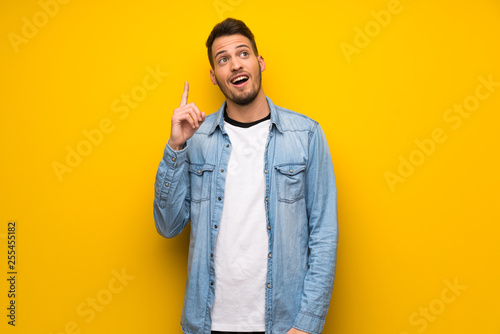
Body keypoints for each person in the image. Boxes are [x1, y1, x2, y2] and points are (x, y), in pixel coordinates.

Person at [153, 18, 338, 334]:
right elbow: (168, 226)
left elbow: (323, 234)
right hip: (207, 324)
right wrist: (175, 145)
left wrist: (307, 324)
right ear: (214, 76)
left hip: (283, 324)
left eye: (243, 53)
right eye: (223, 59)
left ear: (259, 62)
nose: (235, 64)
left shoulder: (306, 135)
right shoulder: (196, 139)